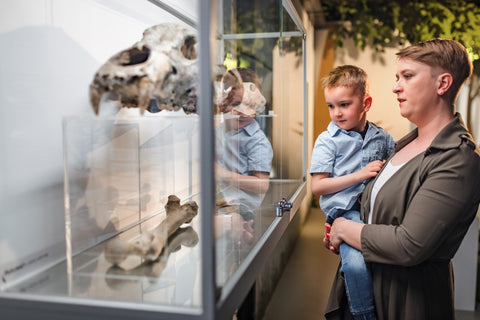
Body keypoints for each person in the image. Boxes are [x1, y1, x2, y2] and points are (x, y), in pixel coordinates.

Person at [324, 39, 480, 320]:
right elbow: (379, 220)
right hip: (366, 291)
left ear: (442, 83)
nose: (396, 86)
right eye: (397, 77)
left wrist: (346, 229)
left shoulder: (459, 158)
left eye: (407, 76)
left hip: (406, 303)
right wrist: (344, 237)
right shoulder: (404, 144)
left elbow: (409, 245)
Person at [311, 65, 395, 320]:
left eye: (344, 104)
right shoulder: (327, 141)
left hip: (375, 211)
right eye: (331, 106)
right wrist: (359, 175)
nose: (336, 113)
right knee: (355, 266)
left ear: (366, 103)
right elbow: (318, 186)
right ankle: (365, 316)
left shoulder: (383, 138)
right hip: (346, 213)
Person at [214, 67, 274, 245]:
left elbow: (262, 185)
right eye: (235, 104)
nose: (243, 111)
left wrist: (224, 175)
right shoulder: (220, 131)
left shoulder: (257, 142)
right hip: (220, 202)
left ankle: (240, 230)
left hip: (242, 208)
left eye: (249, 105)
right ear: (222, 105)